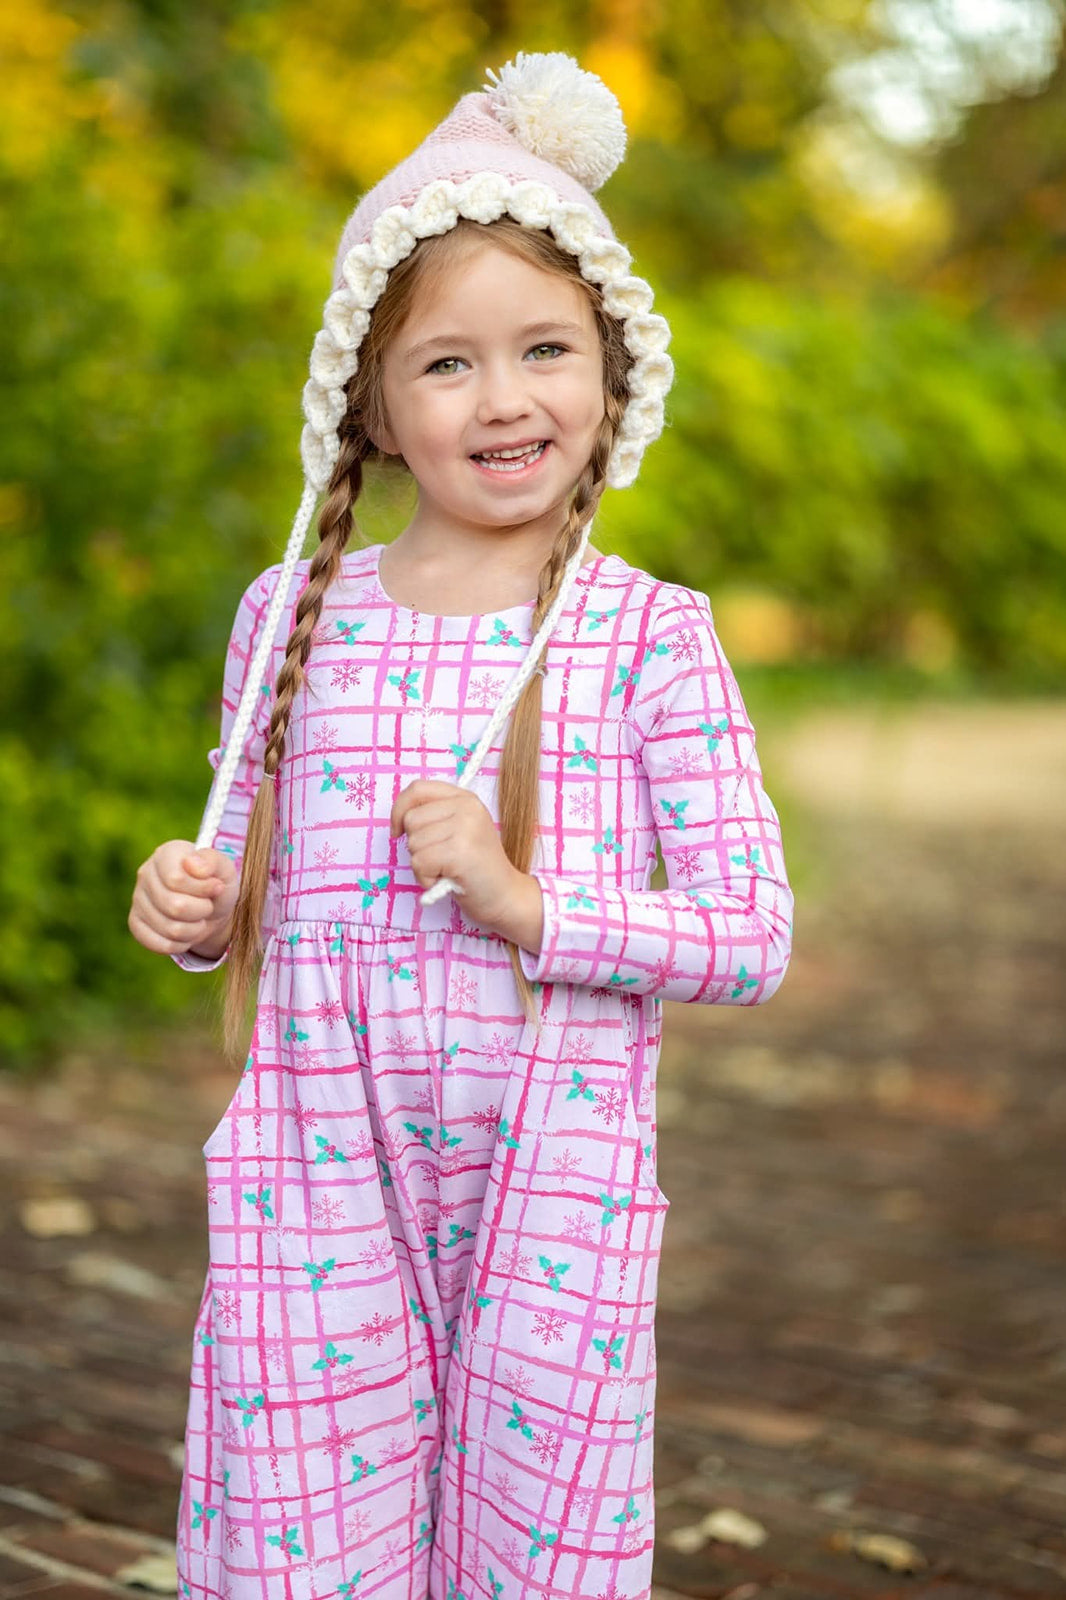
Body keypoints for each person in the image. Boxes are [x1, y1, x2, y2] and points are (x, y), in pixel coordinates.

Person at [128, 50, 792, 1600]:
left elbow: (752, 934)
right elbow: (260, 887)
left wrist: (527, 903)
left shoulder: (646, 637)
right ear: (369, 400)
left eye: (546, 349)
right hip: (317, 1160)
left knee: (532, 1548)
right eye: (447, 364)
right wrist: (199, 906)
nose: (506, 400)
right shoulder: (288, 612)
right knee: (308, 1530)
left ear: (611, 373)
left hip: (551, 1174)